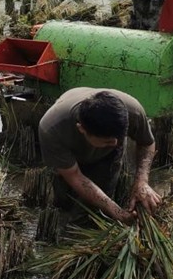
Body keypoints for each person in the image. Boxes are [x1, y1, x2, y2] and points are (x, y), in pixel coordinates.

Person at [39, 88, 161, 224]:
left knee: (96, 210)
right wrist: (119, 213)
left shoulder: (132, 111)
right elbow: (74, 176)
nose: (116, 143)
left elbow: (147, 142)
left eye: (119, 137)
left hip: (106, 157)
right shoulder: (52, 129)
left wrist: (141, 182)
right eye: (108, 141)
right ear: (82, 129)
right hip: (70, 154)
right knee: (64, 202)